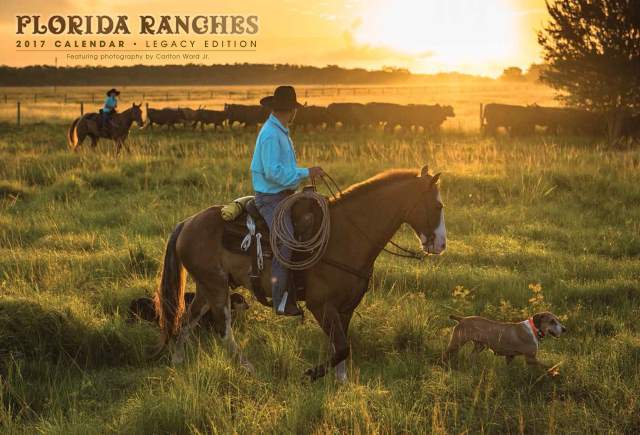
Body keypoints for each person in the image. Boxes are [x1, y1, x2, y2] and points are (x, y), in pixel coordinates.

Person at [250, 86, 324, 316]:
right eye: (294, 110)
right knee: (287, 240)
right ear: (291, 111)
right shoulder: (272, 134)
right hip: (271, 198)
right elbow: (273, 173)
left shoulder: (279, 130)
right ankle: (280, 300)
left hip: (282, 195)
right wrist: (305, 172)